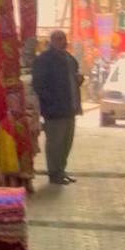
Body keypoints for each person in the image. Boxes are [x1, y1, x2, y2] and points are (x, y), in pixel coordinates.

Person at [31, 30, 83, 185]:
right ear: (52, 41)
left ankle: (61, 170)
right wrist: (50, 103)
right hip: (55, 110)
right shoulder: (44, 60)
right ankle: (54, 173)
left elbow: (73, 79)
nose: (62, 42)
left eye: (64, 39)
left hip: (70, 108)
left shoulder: (69, 59)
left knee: (66, 142)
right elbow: (39, 85)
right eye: (59, 39)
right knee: (55, 143)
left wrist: (78, 80)